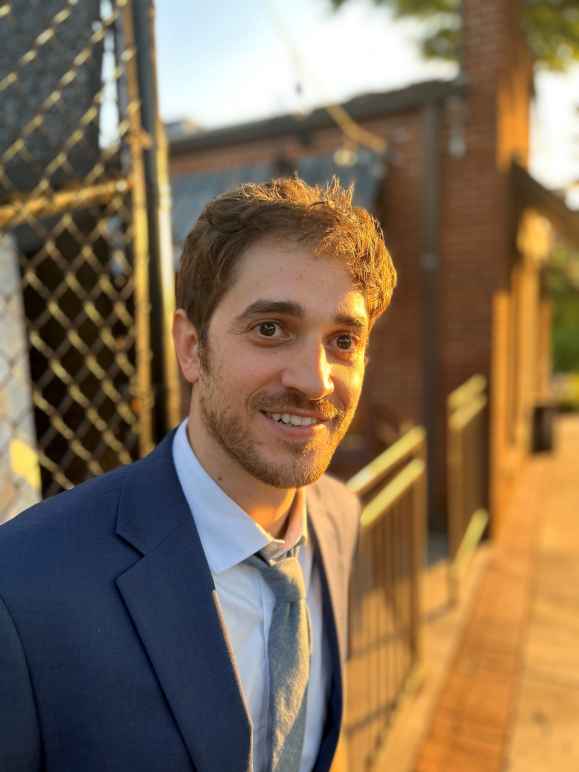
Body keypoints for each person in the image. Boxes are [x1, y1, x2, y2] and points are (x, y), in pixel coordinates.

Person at [0, 177, 396, 772]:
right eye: (271, 329)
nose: (315, 381)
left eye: (343, 340)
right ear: (191, 347)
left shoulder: (339, 517)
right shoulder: (22, 588)